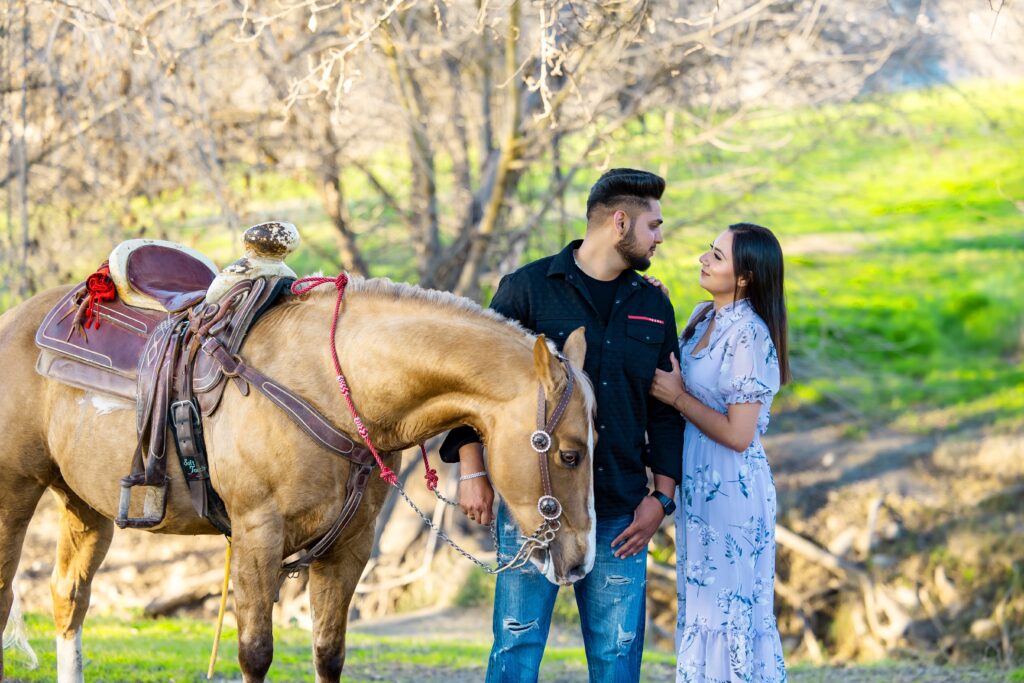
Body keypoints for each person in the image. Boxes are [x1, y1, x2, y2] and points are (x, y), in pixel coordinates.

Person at [440, 168, 684, 683]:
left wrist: (660, 499)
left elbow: (665, 411)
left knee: (618, 658)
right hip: (536, 505)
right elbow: (473, 389)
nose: (660, 237)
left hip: (621, 509)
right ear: (620, 222)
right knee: (516, 646)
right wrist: (472, 471)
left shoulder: (654, 304)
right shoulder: (526, 291)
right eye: (653, 226)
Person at [648, 223, 790, 683]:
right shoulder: (702, 315)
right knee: (703, 606)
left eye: (717, 256)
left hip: (733, 489)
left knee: (729, 614)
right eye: (709, 251)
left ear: (745, 277)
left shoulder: (750, 334)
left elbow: (738, 434)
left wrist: (678, 399)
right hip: (700, 486)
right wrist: (654, 303)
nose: (703, 260)